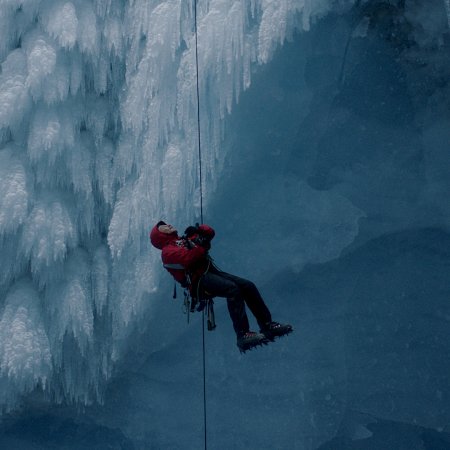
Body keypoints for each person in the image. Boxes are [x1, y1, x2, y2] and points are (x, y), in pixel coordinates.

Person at [149, 221, 292, 352]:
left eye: (167, 224)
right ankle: (243, 335)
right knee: (232, 289)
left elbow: (209, 233)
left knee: (248, 286)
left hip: (209, 273)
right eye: (164, 228)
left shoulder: (183, 240)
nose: (168, 226)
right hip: (198, 282)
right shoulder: (167, 252)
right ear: (161, 236)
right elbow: (188, 259)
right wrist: (199, 244)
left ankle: (267, 326)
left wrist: (200, 231)